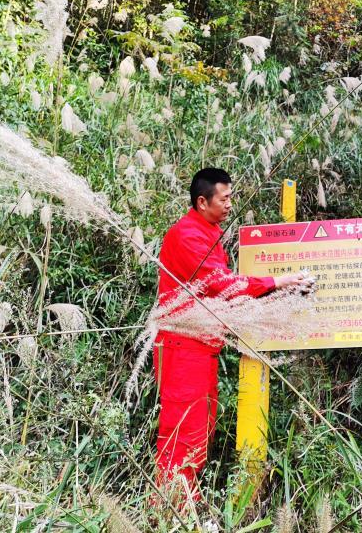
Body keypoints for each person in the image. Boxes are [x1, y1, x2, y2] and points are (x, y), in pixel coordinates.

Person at [154, 167, 305, 490]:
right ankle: (171, 510)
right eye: (224, 199)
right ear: (201, 202)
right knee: (183, 433)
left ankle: (184, 507)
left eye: (231, 197)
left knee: (200, 430)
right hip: (183, 346)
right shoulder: (188, 235)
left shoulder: (207, 231)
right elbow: (220, 284)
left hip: (201, 347)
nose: (230, 204)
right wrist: (277, 281)